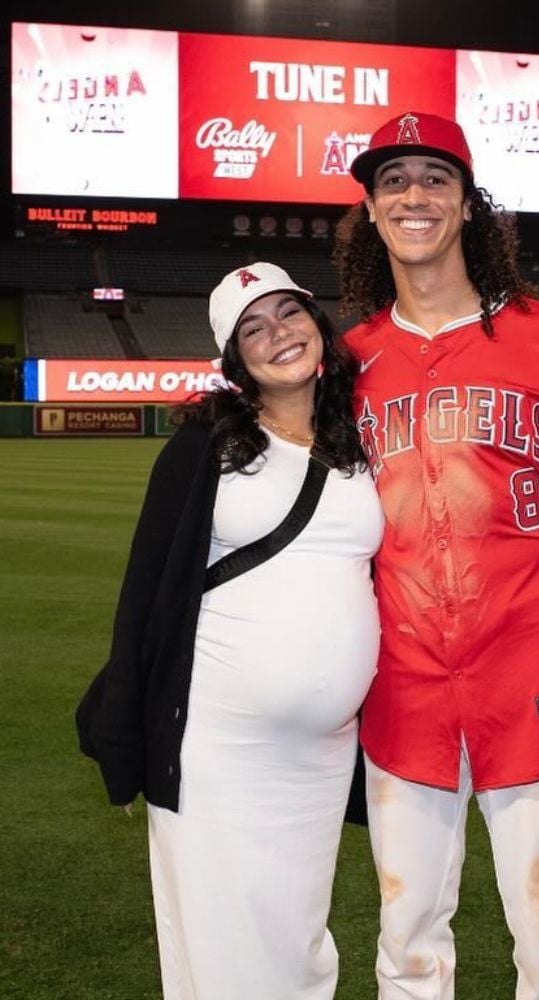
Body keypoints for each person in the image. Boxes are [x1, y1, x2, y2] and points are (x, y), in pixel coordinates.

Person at [333, 110, 539, 1000]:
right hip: (400, 689)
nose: (414, 195)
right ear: (372, 211)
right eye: (394, 181)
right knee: (407, 936)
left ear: (468, 204)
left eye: (435, 178)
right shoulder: (350, 364)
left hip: (535, 685)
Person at [75, 262, 385, 1000]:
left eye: (288, 312)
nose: (278, 333)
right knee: (220, 938)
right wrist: (124, 735)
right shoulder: (203, 448)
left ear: (318, 322)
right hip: (219, 743)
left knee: (297, 933)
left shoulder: (362, 441)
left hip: (322, 755)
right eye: (254, 326)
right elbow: (145, 596)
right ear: (234, 357)